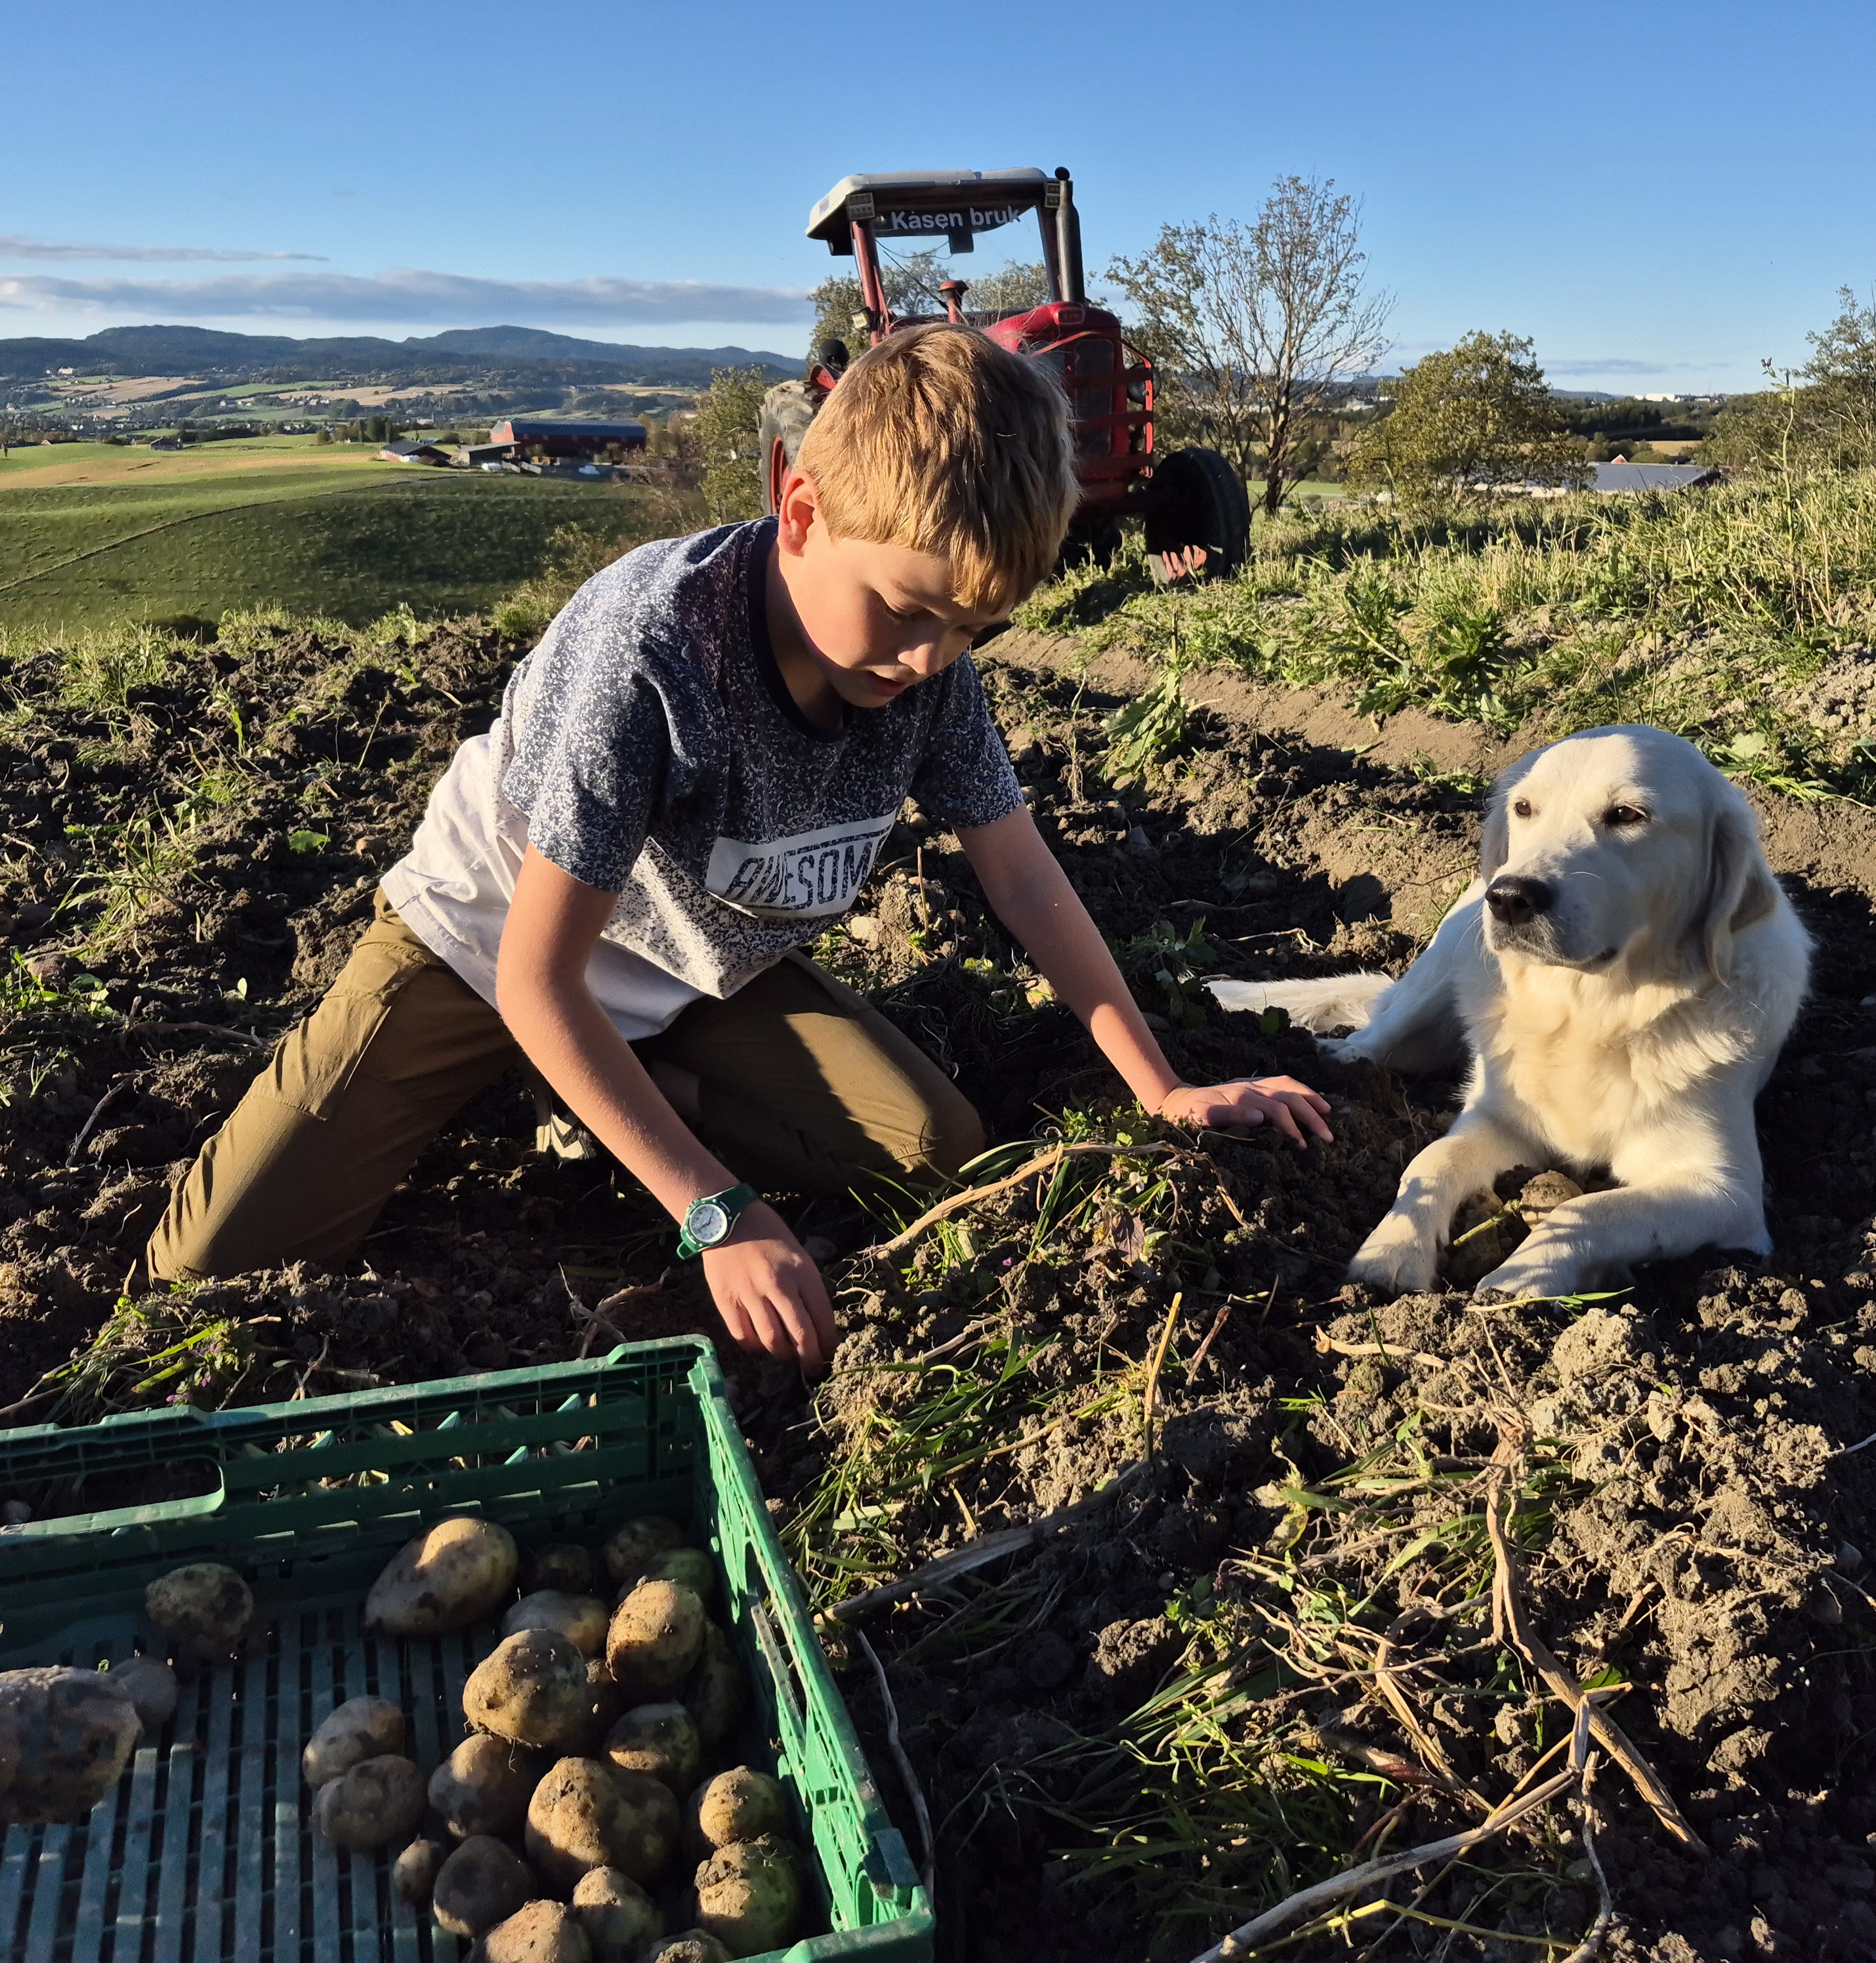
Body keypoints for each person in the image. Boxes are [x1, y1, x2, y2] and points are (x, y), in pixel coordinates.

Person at [144, 325, 1331, 1372]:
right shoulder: (653, 653)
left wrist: (1165, 1089)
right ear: (804, 511)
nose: (930, 659)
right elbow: (535, 979)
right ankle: (572, 1088)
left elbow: (1021, 875)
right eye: (911, 611)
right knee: (208, 1278)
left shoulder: (929, 672)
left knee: (931, 1149)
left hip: (694, 970)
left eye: (976, 627)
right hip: (488, 949)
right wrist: (716, 1213)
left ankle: (613, 1096)